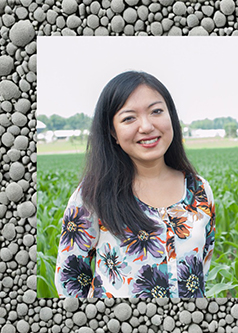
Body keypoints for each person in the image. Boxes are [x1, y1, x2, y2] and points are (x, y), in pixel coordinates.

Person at [54, 70, 215, 298]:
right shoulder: (92, 195)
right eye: (129, 118)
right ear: (113, 132)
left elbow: (202, 267)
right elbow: (69, 280)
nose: (147, 126)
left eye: (156, 111)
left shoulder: (199, 189)